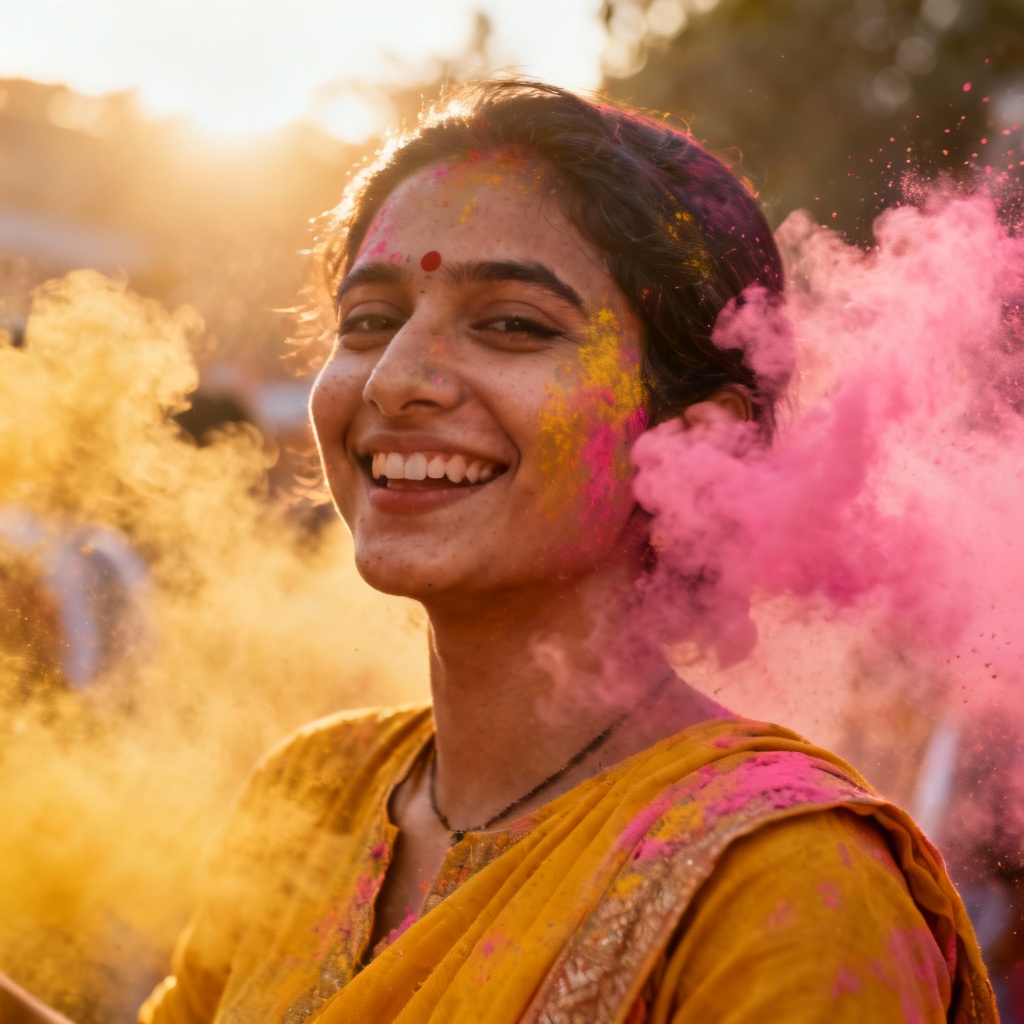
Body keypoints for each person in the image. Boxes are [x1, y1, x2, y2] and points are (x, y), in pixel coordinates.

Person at [0, 78, 997, 1023]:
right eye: (369, 320)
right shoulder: (315, 787)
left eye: (512, 325)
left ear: (699, 438)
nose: (394, 379)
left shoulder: (785, 881)